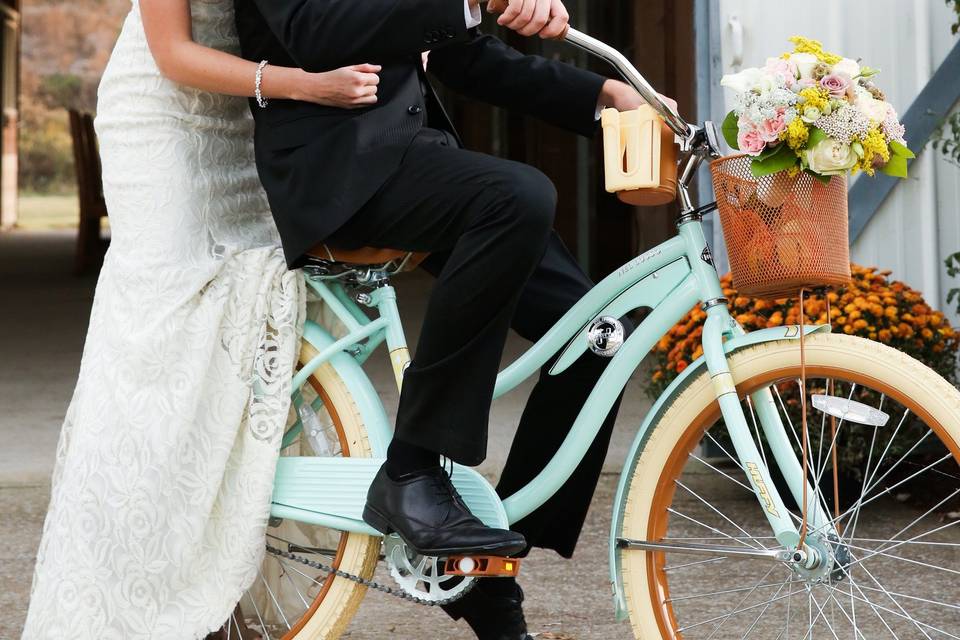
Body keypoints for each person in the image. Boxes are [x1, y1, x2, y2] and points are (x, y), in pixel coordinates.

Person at [233, 0, 677, 637]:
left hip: (412, 160)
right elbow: (313, 30)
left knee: (597, 329)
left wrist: (606, 93)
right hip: (335, 172)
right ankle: (410, 471)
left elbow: (459, 55)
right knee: (517, 196)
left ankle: (486, 559)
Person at [20, 2, 382, 639]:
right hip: (164, 118)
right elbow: (173, 53)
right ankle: (135, 594)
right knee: (167, 349)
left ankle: (211, 583)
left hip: (245, 114)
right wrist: (307, 86)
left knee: (239, 337)